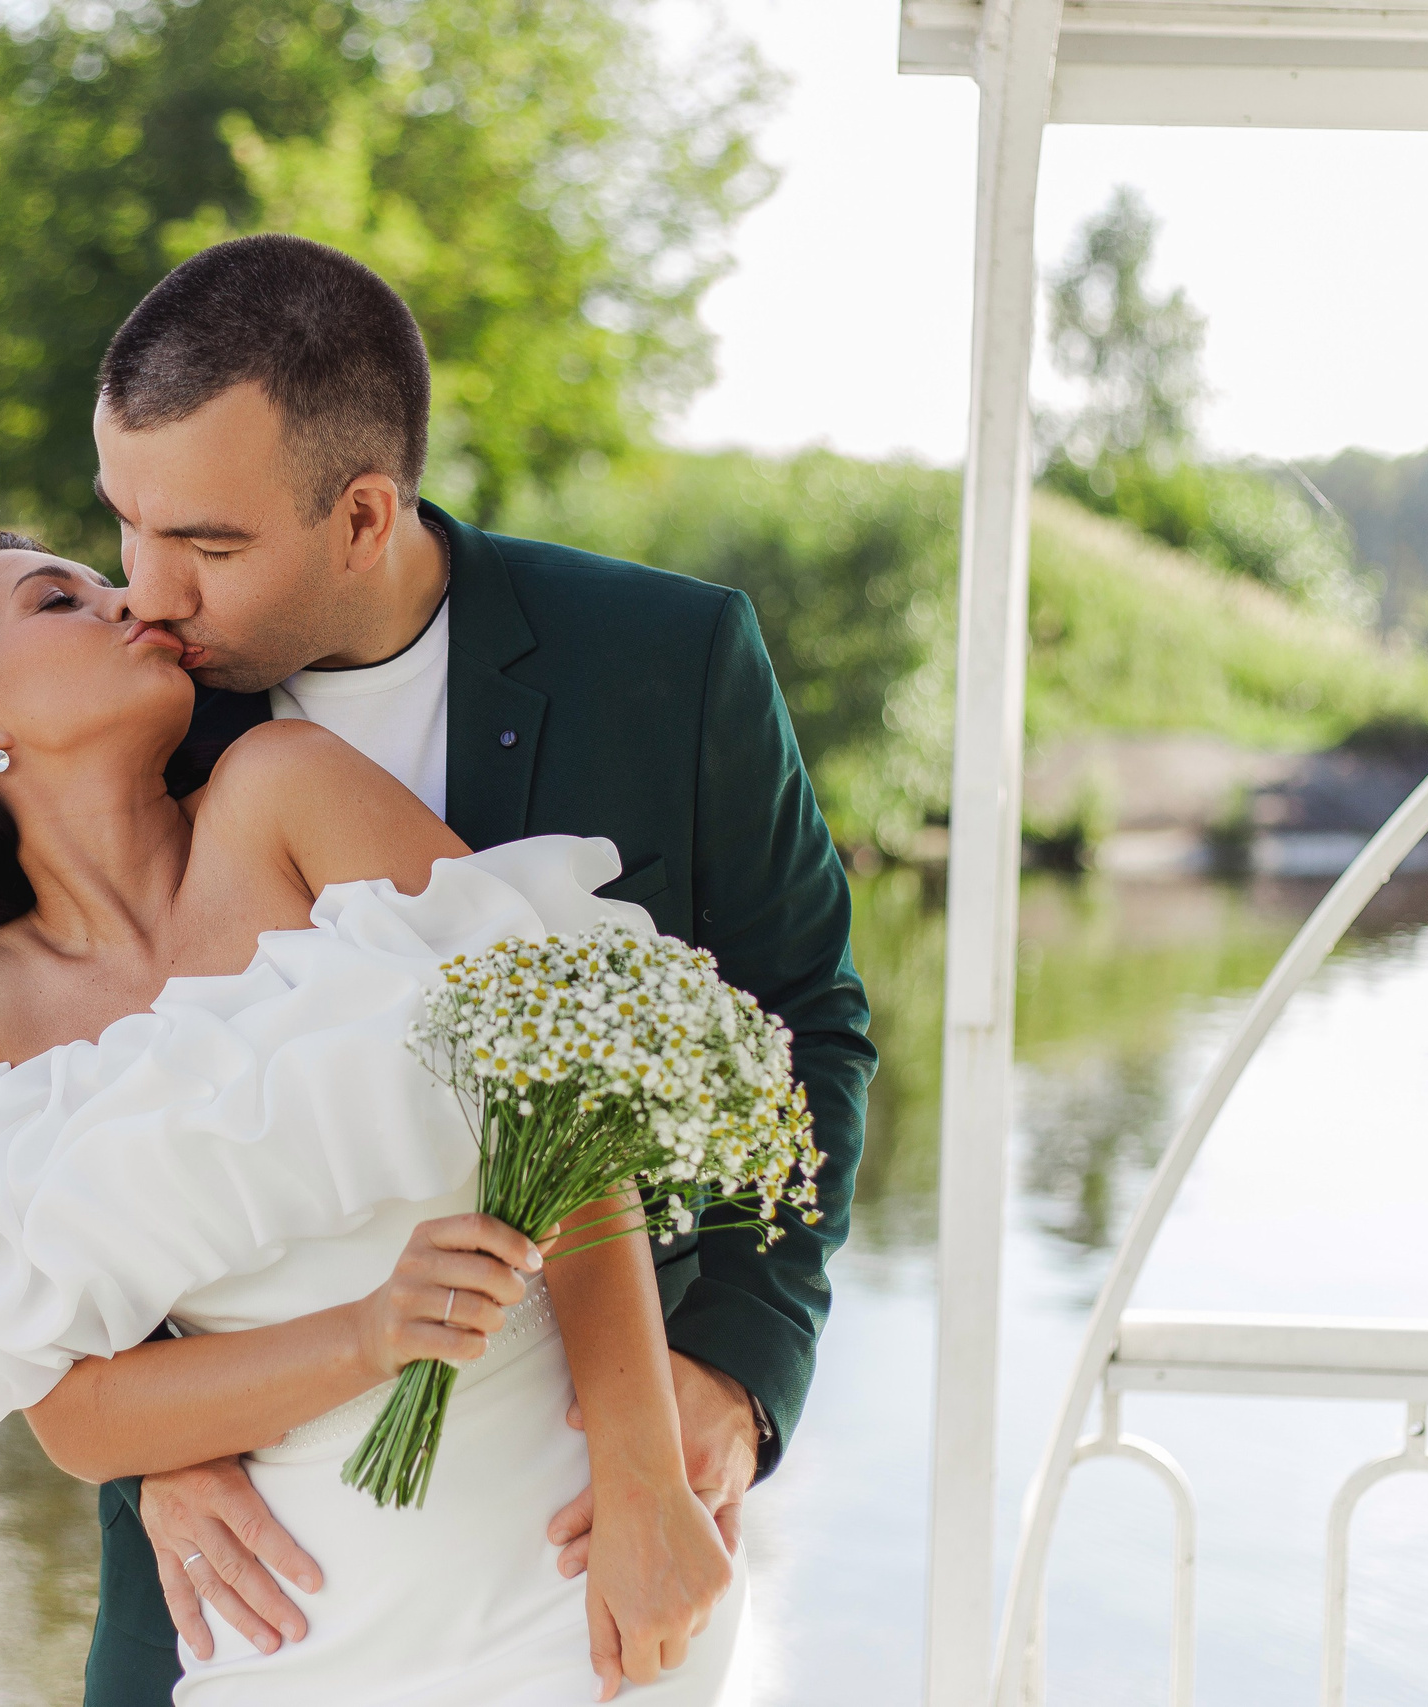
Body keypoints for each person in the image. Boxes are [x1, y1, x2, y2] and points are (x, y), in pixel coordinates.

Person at [73, 235, 874, 1704]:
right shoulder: (113, 704)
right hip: (233, 1558)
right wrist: (161, 1444)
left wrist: (740, 1375)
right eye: (122, 519)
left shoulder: (673, 659)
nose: (143, 590)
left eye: (207, 542)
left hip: (581, 1516)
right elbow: (15, 1109)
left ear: (364, 513)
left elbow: (807, 1019)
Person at [0, 526, 748, 1700]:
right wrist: (365, 1335)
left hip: (571, 1545)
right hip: (294, 1607)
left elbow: (569, 1118)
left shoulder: (286, 790)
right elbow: (75, 1413)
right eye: (60, 600)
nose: (126, 601)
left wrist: (644, 1484)